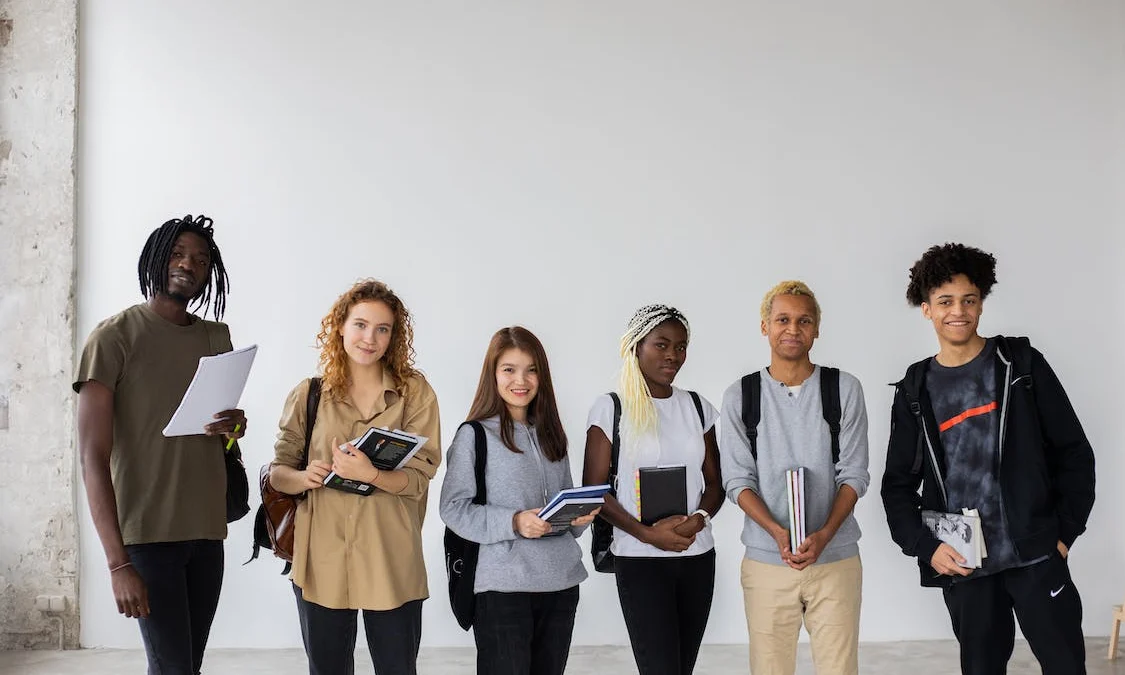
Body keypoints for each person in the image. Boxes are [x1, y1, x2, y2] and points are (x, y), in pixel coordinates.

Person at [881, 244, 1095, 675]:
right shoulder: (915, 389)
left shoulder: (1019, 364)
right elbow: (897, 486)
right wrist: (926, 548)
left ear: (981, 303)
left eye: (969, 300)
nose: (958, 311)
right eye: (945, 301)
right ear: (926, 310)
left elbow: (1074, 453)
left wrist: (1064, 535)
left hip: (1035, 556)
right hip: (967, 565)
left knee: (1066, 666)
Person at [75, 214, 246, 675]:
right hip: (148, 536)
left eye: (201, 259)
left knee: (186, 664)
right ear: (155, 257)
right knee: (173, 667)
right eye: (178, 253)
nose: (189, 264)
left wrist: (234, 426)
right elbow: (91, 458)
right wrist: (116, 565)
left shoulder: (217, 337)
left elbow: (221, 439)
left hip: (207, 531)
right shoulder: (113, 338)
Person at [269, 279, 441, 675]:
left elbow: (420, 477)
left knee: (398, 668)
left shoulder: (414, 393)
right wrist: (305, 477)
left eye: (383, 329)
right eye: (361, 325)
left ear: (394, 337)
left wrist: (370, 475)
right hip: (321, 559)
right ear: (340, 326)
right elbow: (279, 471)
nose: (370, 338)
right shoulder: (308, 394)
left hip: (390, 555)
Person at [719, 280, 869, 675]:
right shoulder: (741, 395)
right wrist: (776, 532)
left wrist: (825, 534)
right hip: (767, 562)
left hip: (835, 560)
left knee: (839, 669)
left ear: (817, 328)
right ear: (764, 326)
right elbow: (737, 481)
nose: (793, 329)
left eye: (804, 321)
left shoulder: (844, 388)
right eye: (782, 319)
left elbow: (854, 474)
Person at [440, 326, 597, 675]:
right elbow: (452, 508)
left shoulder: (552, 434)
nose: (520, 380)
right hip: (502, 589)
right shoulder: (474, 435)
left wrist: (578, 520)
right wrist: (513, 521)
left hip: (561, 584)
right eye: (509, 369)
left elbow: (563, 514)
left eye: (531, 369)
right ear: (493, 374)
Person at [582, 304, 724, 675]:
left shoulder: (697, 406)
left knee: (682, 667)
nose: (673, 355)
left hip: (696, 556)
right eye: (661, 345)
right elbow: (594, 491)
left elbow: (715, 484)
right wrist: (648, 535)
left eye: (680, 347)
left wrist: (698, 520)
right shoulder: (611, 408)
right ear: (636, 346)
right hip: (640, 560)